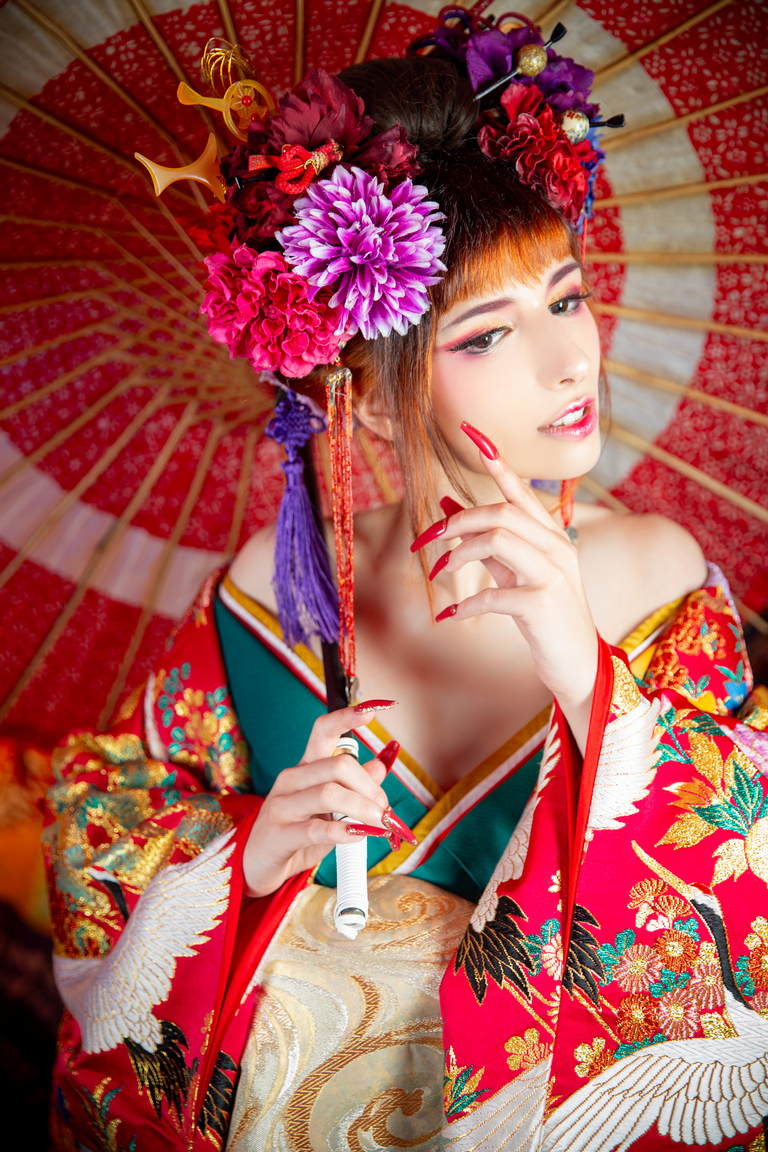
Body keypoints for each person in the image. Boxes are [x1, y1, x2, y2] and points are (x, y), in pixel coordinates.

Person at [44, 29, 768, 1152]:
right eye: (489, 331)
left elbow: (744, 905)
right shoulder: (268, 601)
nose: (569, 362)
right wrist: (242, 856)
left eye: (566, 300)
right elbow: (107, 842)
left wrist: (587, 676)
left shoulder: (651, 573)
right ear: (366, 401)